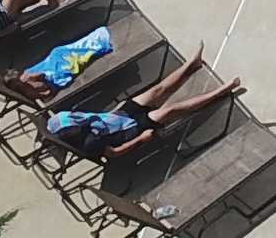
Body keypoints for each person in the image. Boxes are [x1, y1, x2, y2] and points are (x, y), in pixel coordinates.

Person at [46, 48, 246, 165]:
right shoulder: (89, 144)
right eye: (72, 121)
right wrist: (141, 138)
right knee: (170, 111)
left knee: (157, 90)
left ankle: (192, 65)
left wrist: (114, 113)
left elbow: (97, 119)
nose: (74, 117)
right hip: (130, 131)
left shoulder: (72, 121)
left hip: (119, 116)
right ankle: (221, 92)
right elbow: (115, 153)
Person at [0, 23, 115, 105]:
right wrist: (38, 77)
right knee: (65, 54)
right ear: (15, 82)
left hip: (52, 66)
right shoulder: (28, 89)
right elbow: (47, 93)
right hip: (56, 75)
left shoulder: (24, 80)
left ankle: (91, 41)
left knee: (57, 51)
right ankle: (96, 43)